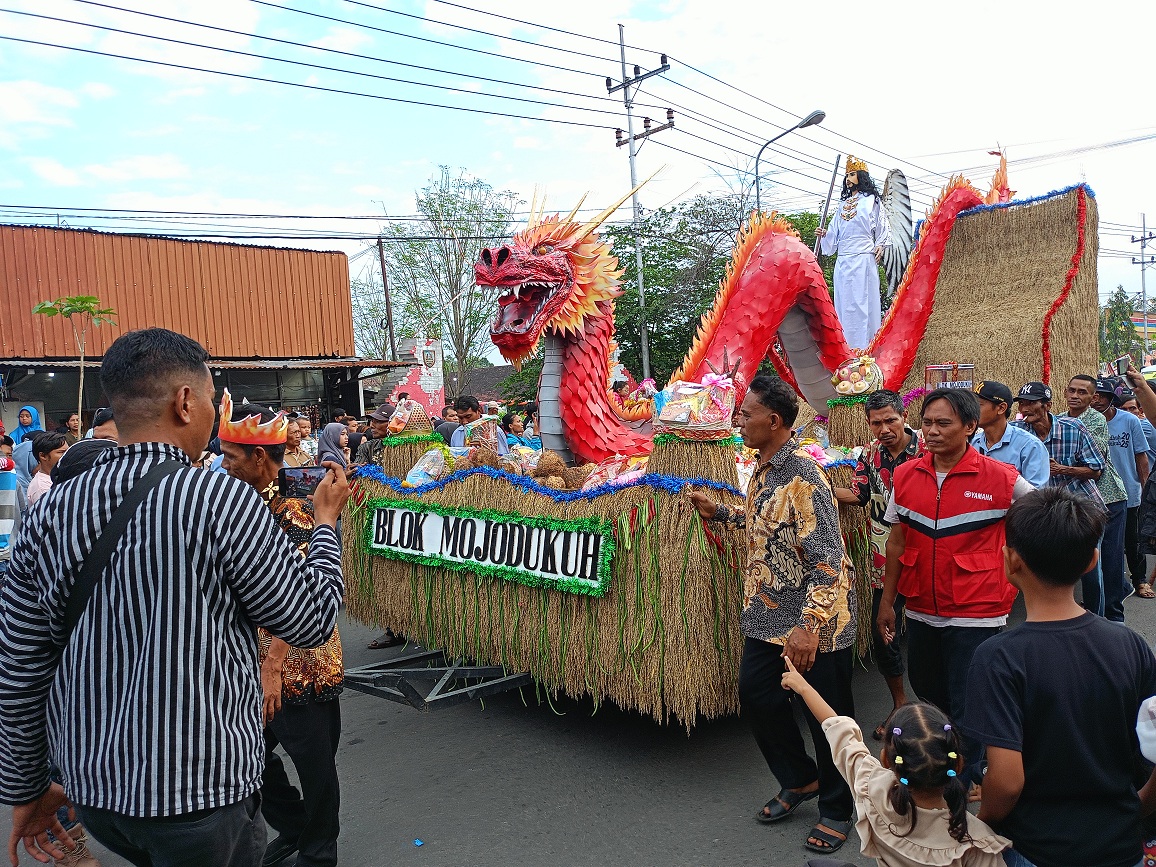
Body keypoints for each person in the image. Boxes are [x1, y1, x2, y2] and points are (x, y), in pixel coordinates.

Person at [0, 327, 349, 867]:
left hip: (98, 798)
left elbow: (20, 670)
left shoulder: (49, 513)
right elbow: (309, 618)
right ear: (185, 402)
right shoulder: (218, 499)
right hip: (200, 798)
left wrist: (26, 790)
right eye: (212, 399)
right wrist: (326, 526)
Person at [688, 375, 857, 855]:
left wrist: (808, 627)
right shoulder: (763, 470)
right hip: (766, 616)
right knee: (758, 696)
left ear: (774, 421)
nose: (739, 421)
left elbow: (828, 560)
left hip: (814, 624)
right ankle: (800, 779)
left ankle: (838, 808)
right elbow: (765, 523)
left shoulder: (805, 476)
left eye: (746, 414)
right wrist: (721, 512)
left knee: (827, 717)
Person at [963, 487, 1156, 867]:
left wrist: (980, 825)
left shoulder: (998, 657)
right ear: (1092, 560)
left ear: (1010, 559)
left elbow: (1006, 781)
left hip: (1036, 849)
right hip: (1121, 845)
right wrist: (1139, 806)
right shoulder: (1129, 644)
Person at [877, 388, 1035, 787]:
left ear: (970, 427)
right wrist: (888, 602)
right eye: (927, 422)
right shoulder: (905, 475)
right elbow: (897, 542)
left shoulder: (1003, 479)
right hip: (922, 608)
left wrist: (1028, 586)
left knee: (969, 700)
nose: (931, 431)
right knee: (928, 689)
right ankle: (947, 763)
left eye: (943, 423)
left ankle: (966, 779)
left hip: (978, 612)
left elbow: (1043, 522)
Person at [219, 399, 343, 867]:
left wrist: (273, 663)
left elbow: (300, 595)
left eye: (230, 457)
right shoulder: (235, 500)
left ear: (257, 458)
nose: (222, 465)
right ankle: (293, 827)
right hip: (249, 663)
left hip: (301, 660)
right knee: (250, 761)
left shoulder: (295, 507)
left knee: (316, 768)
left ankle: (318, 851)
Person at [781, 663, 1010, 867]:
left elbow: (839, 730)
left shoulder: (872, 788)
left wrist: (803, 688)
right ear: (958, 765)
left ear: (885, 760)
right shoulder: (978, 842)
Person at [832, 390, 917, 741]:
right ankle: (899, 702)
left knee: (932, 634)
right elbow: (860, 494)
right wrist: (818, 487)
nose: (883, 428)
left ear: (903, 415)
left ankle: (933, 712)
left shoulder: (929, 448)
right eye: (875, 422)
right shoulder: (868, 454)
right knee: (884, 632)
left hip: (930, 553)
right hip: (885, 559)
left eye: (889, 420)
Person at [1011, 381, 1108, 616]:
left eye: (1031, 403)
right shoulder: (1019, 432)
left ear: (1047, 405)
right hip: (1048, 512)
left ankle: (1098, 619)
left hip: (1083, 508)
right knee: (1047, 569)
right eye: (1022, 403)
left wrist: (1062, 469)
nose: (1025, 408)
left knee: (1090, 570)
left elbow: (1096, 469)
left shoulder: (1073, 428)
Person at [1061, 374, 1129, 620]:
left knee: (1108, 561)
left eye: (1082, 392)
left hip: (1108, 497)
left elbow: (1095, 461)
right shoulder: (1059, 419)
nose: (1075, 396)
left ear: (1093, 397)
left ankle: (1113, 617)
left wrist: (1061, 466)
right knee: (1086, 562)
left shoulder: (1096, 419)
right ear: (1065, 392)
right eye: (1072, 391)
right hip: (1077, 500)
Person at [815, 156, 892, 350]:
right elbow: (832, 240)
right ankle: (845, 351)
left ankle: (865, 352)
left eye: (852, 174)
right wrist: (824, 235)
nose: (848, 178)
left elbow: (883, 228)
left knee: (863, 306)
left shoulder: (872, 201)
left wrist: (880, 245)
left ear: (861, 176)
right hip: (843, 261)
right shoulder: (842, 206)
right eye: (846, 175)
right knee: (844, 307)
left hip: (864, 258)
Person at [1092, 378, 1151, 610]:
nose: (1096, 400)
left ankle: (1140, 580)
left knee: (1132, 540)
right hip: (1096, 494)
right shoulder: (1084, 422)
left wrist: (1145, 488)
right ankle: (1103, 591)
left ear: (1110, 399)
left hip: (1128, 490)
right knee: (1104, 545)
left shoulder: (1128, 421)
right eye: (1093, 396)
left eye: (1101, 397)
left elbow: (1141, 456)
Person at [969, 380, 1049, 487]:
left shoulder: (1030, 446)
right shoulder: (972, 444)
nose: (972, 411)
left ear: (1001, 408)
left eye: (978, 405)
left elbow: (1036, 495)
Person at [26, 431, 68, 505]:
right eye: (61, 452)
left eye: (68, 451)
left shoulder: (59, 477)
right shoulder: (42, 489)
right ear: (43, 456)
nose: (67, 455)